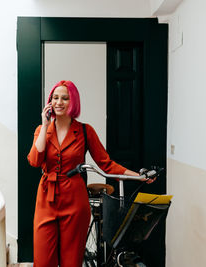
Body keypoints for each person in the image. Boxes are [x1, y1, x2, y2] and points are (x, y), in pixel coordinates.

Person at [27, 80, 154, 267]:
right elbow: (34, 161)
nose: (59, 102)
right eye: (55, 98)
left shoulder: (85, 131)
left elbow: (106, 164)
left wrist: (138, 176)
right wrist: (45, 125)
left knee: (72, 260)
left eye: (65, 98)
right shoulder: (42, 130)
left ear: (73, 102)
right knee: (43, 261)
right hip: (46, 198)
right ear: (49, 102)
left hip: (75, 200)